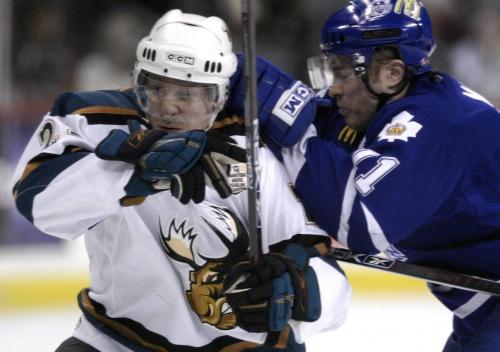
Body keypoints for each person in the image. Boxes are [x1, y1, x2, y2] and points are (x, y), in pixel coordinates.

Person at [11, 9, 351, 352]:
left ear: (217, 97)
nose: (167, 107)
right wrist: (132, 171)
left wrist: (298, 289)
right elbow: (42, 207)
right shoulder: (100, 125)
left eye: (187, 94)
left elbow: (329, 282)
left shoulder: (258, 149)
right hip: (116, 339)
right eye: (155, 89)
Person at [224, 1, 500, 351]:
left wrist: (295, 140)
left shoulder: (440, 124)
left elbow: (363, 224)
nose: (334, 87)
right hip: (484, 305)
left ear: (392, 74)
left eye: (341, 72)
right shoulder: (378, 105)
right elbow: (303, 117)